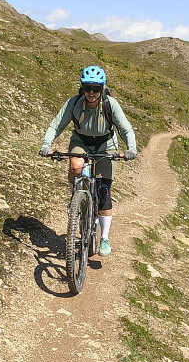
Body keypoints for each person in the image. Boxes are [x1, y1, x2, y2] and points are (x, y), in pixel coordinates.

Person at [39, 65, 137, 256]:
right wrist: (46, 144)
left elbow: (126, 129)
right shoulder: (74, 103)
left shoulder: (110, 104)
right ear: (82, 87)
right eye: (87, 88)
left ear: (102, 88)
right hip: (81, 142)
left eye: (96, 88)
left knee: (103, 192)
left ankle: (105, 238)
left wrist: (131, 148)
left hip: (105, 144)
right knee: (76, 166)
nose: (91, 93)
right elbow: (56, 124)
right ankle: (76, 200)